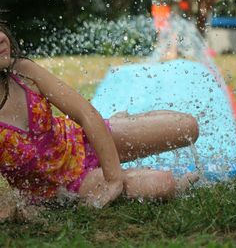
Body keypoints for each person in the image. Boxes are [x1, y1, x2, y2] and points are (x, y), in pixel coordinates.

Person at [0, 23, 199, 221]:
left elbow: (85, 113)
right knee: (163, 184)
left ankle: (120, 123)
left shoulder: (23, 72)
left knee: (188, 127)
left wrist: (114, 179)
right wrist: (16, 209)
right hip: (70, 183)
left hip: (82, 139)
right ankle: (175, 184)